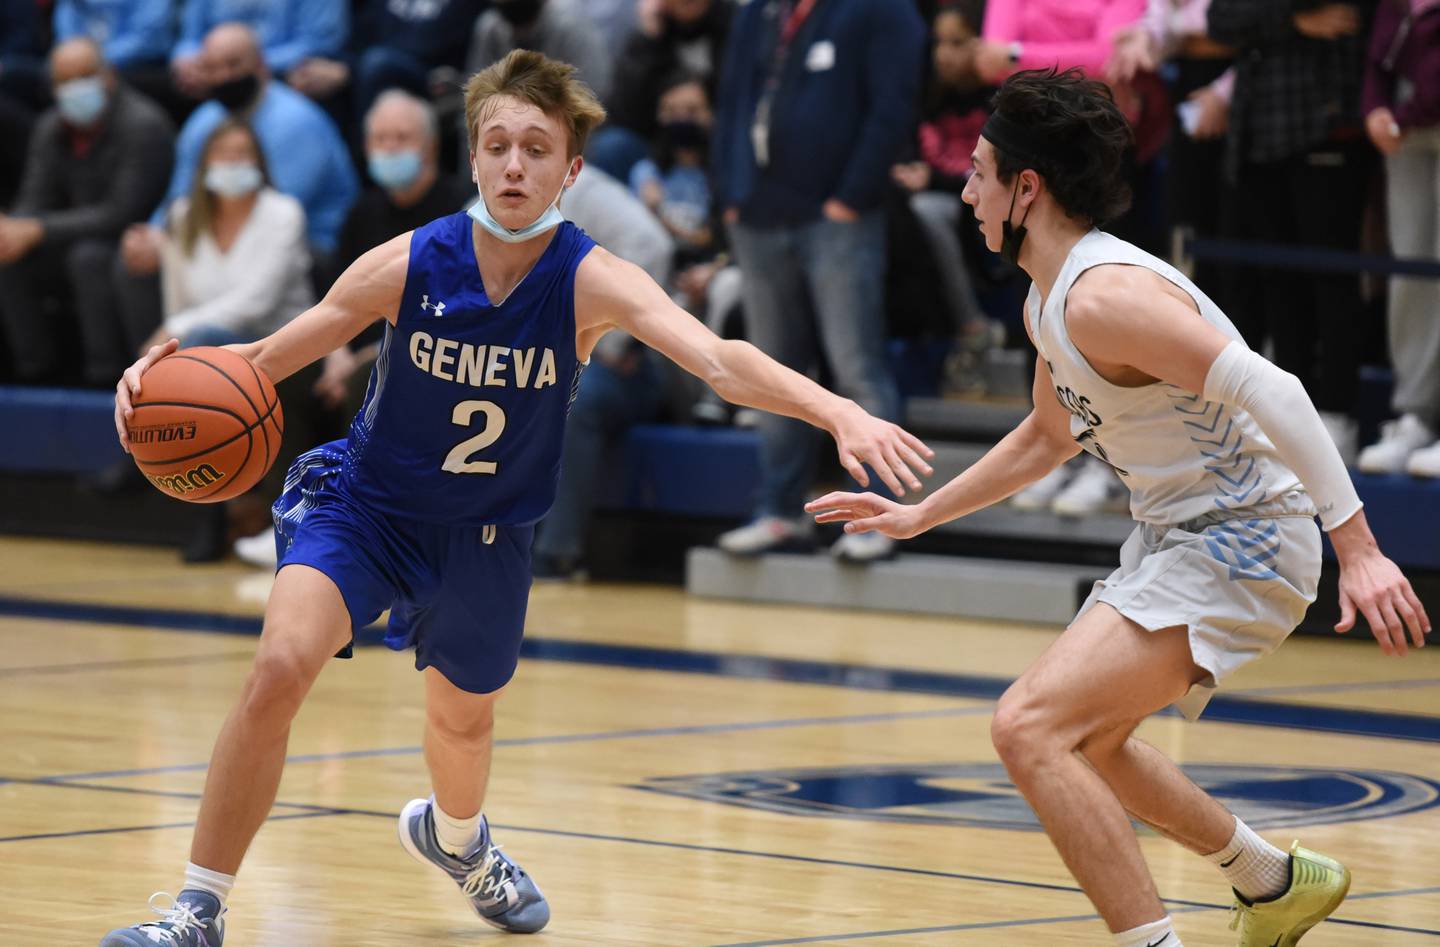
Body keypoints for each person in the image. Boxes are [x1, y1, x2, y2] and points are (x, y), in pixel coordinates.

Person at [100, 49, 933, 946]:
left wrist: (838, 408)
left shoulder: (588, 277)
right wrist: (160, 373)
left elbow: (722, 361)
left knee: (462, 727)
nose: (513, 164)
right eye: (496, 144)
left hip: (487, 536)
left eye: (537, 148)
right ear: (471, 158)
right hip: (368, 509)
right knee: (277, 669)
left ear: (571, 171)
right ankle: (198, 905)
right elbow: (260, 362)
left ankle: (459, 842)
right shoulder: (412, 260)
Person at [806, 68, 1430, 947]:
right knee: (1090, 740)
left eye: (980, 170)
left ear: (1028, 188)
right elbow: (1046, 437)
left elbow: (1279, 390)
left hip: (1247, 536)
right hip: (1182, 534)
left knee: (1028, 727)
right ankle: (1275, 882)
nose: (966, 186)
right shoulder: (1046, 300)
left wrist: (1359, 550)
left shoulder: (1107, 296)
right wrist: (919, 515)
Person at [711, 0, 926, 563]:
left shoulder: (883, 11)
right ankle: (780, 512)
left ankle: (880, 516)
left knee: (857, 367)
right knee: (770, 375)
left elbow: (894, 105)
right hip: (759, 214)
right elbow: (733, 99)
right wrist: (732, 194)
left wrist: (851, 198)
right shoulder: (758, 11)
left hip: (838, 217)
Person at [0, 37, 174, 385]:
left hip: (138, 242)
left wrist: (37, 229)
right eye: (64, 81)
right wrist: (13, 229)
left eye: (83, 76)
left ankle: (103, 376)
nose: (74, 89)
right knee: (8, 255)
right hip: (74, 233)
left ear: (108, 75)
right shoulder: (51, 127)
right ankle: (34, 372)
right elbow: (35, 199)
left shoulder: (144, 124)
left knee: (88, 258)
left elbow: (122, 212)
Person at [1355, 0, 1440, 476]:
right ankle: (1416, 415)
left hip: (1415, 114)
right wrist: (1375, 109)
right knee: (1411, 270)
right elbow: (1377, 56)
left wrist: (1401, 115)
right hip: (1404, 130)